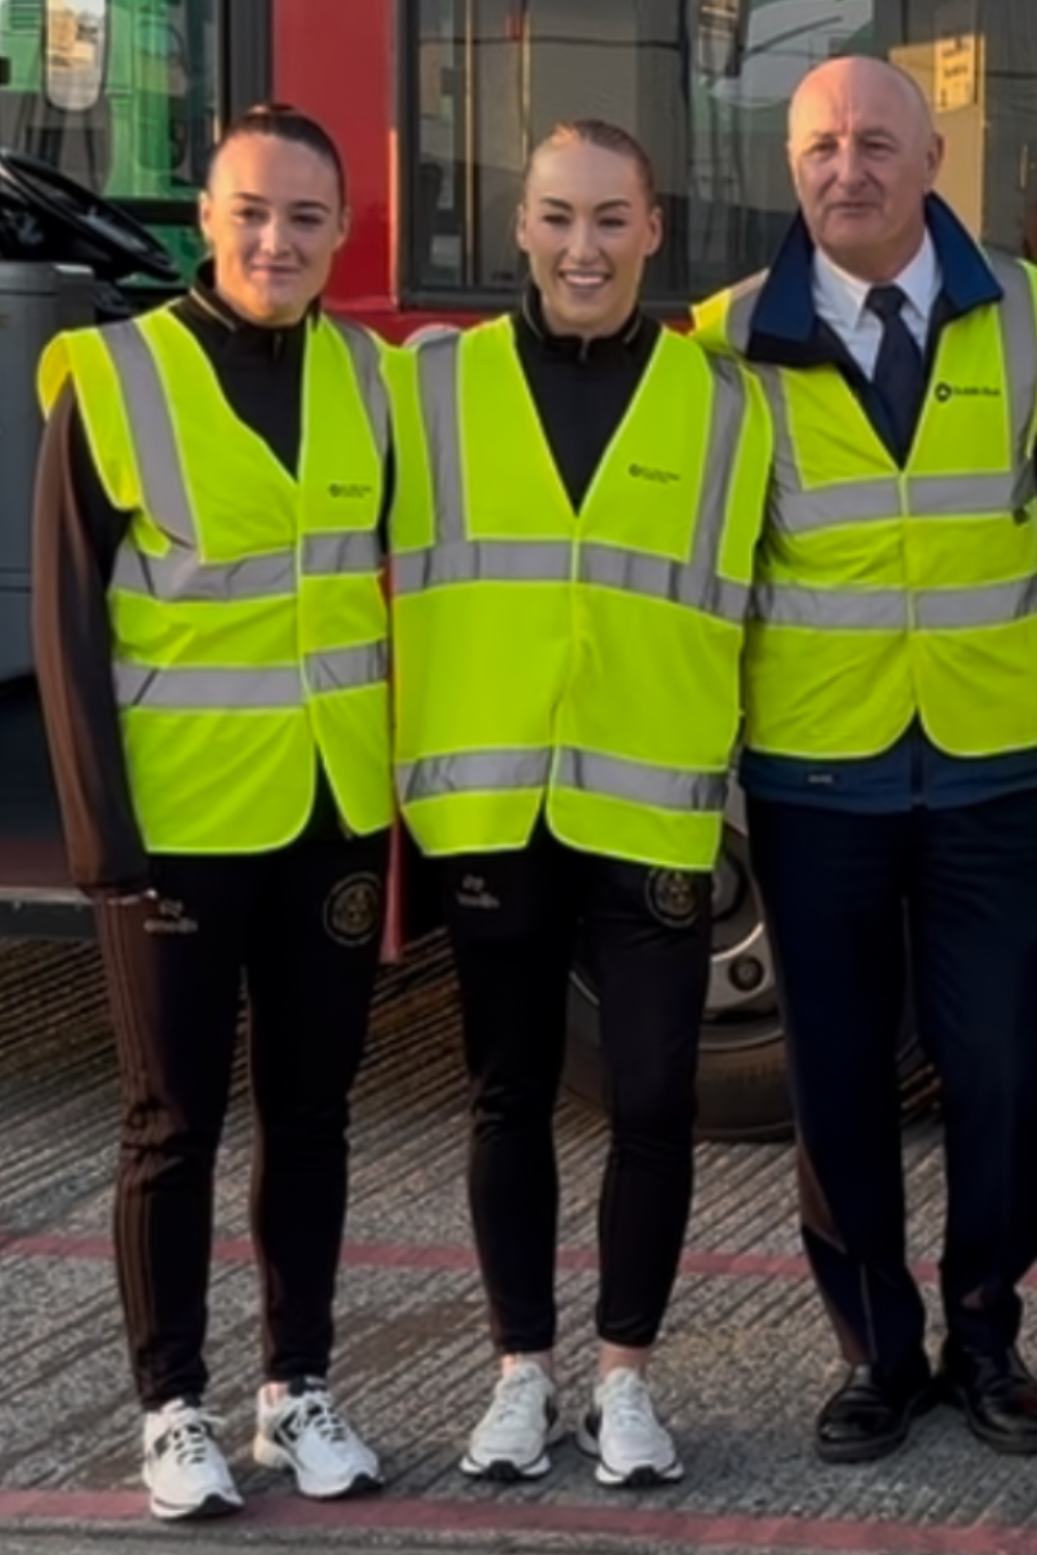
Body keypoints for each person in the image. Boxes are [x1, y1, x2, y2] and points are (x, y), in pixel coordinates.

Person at [691, 55, 1037, 1463]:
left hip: (989, 771)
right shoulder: (726, 338)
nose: (843, 170)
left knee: (1000, 1075)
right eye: (816, 149)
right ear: (788, 169)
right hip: (817, 776)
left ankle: (988, 1340)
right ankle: (875, 1352)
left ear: (930, 160)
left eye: (872, 143)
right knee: (837, 1083)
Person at [385, 119, 771, 1490]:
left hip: (658, 814)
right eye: (556, 217)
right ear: (520, 226)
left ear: (656, 229)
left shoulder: (728, 405)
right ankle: (518, 1376)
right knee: (507, 1097)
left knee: (656, 1101)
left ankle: (625, 1381)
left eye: (611, 220)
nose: (582, 248)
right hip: (493, 811)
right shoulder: (428, 388)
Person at [30, 103, 392, 1521]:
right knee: (170, 1122)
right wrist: (96, 840)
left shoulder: (370, 377)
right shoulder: (113, 377)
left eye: (306, 217)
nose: (276, 240)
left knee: (314, 1115)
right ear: (203, 215)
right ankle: (171, 1405)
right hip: (176, 824)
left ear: (342, 231)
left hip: (332, 811)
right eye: (250, 211)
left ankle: (295, 1387)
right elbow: (63, 619)